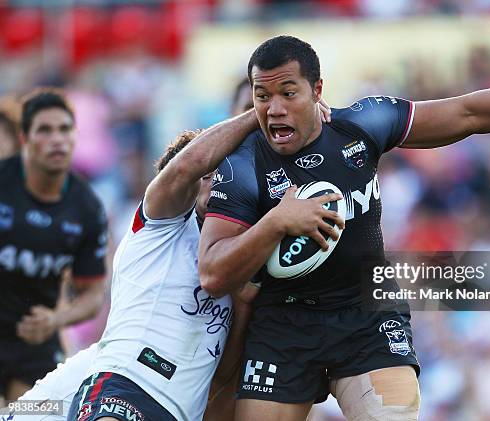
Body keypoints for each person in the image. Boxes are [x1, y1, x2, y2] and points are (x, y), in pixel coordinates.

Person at [199, 35, 490, 421]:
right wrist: (275, 222)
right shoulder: (242, 167)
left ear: (318, 90)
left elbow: (468, 113)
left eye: (288, 93)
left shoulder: (362, 124)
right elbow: (213, 273)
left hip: (366, 316)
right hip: (283, 326)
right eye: (262, 97)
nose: (275, 109)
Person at [8, 85, 331, 421]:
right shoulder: (163, 226)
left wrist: (245, 299)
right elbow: (187, 166)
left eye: (226, 174)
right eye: (210, 174)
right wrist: (265, 114)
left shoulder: (239, 259)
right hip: (125, 384)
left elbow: (221, 377)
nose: (220, 181)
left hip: (173, 411)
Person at [0, 88, 108, 404]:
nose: (57, 139)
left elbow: (92, 295)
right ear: (25, 139)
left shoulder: (87, 208)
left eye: (64, 129)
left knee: (36, 414)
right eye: (45, 130)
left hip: (35, 339)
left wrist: (55, 321)